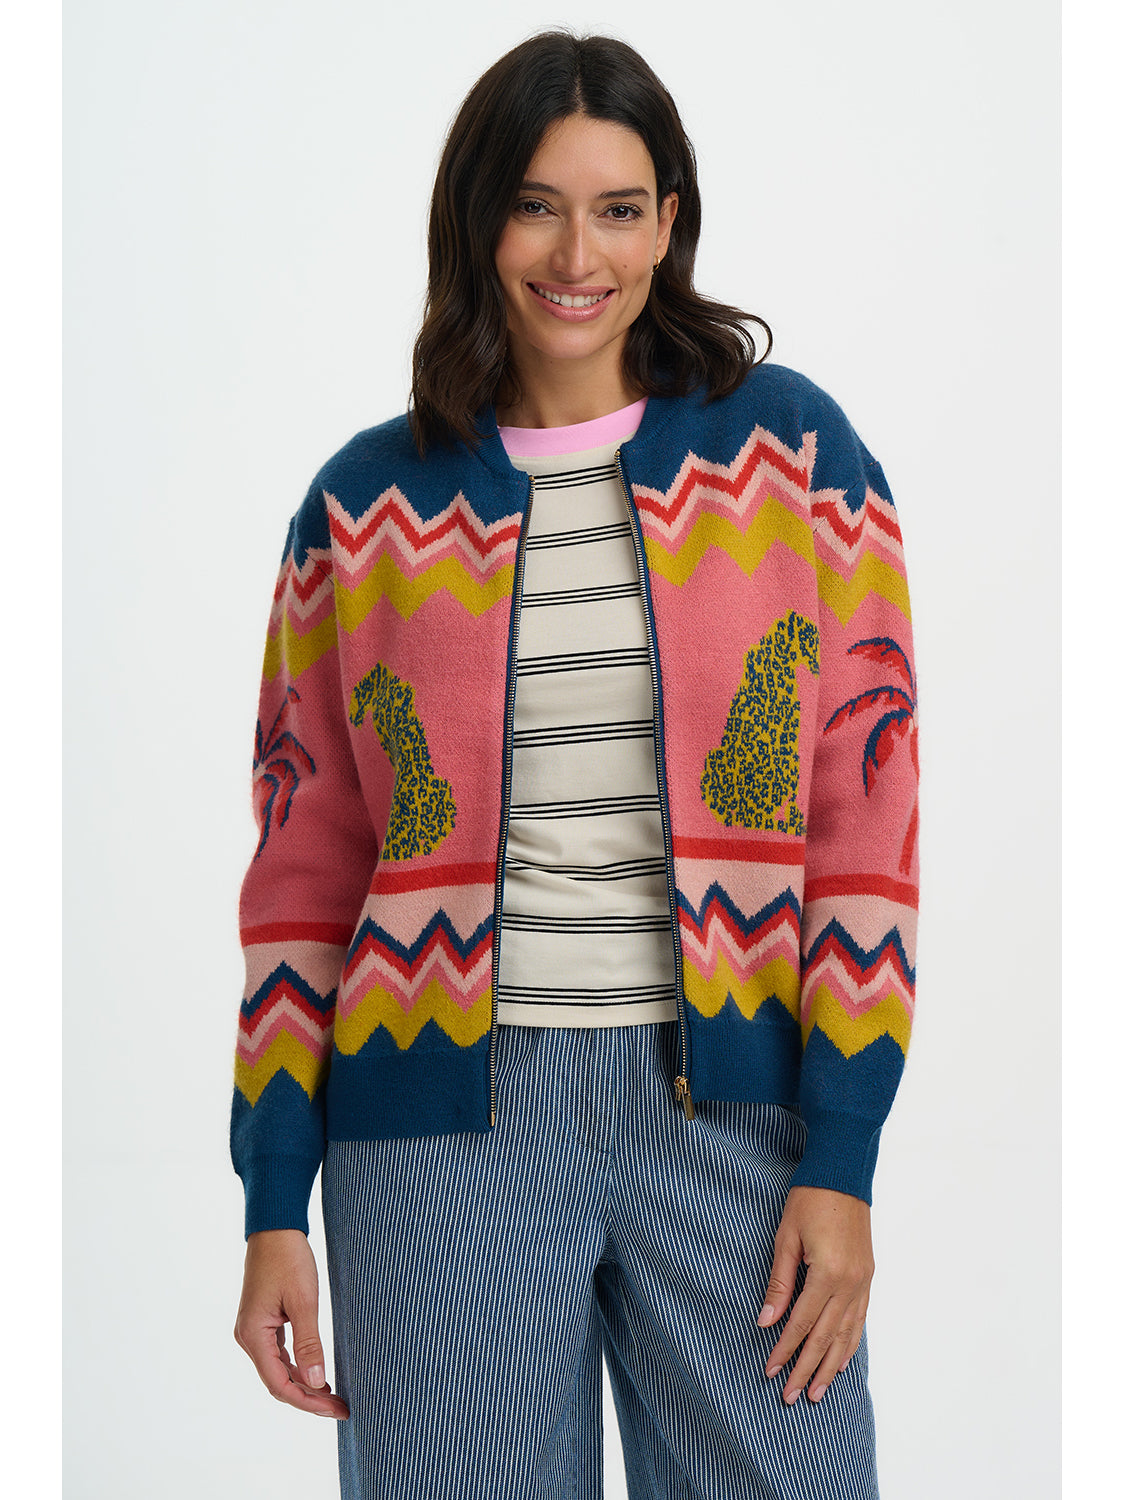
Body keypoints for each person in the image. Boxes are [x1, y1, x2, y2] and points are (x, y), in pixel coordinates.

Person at [231, 30, 919, 1500]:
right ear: (478, 219)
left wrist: (844, 1157)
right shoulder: (363, 509)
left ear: (668, 224)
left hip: (738, 1117)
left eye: (617, 209)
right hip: (437, 1128)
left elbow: (867, 825)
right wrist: (273, 1193)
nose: (575, 254)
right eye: (536, 205)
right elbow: (301, 873)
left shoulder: (794, 460)